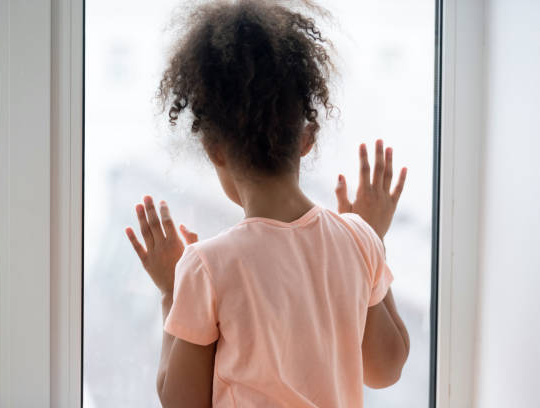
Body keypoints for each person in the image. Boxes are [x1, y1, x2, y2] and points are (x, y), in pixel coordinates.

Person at [124, 1, 410, 406]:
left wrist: (174, 292)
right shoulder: (358, 239)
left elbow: (181, 403)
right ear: (307, 137)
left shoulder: (206, 268)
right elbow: (386, 368)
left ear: (213, 149)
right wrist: (371, 242)